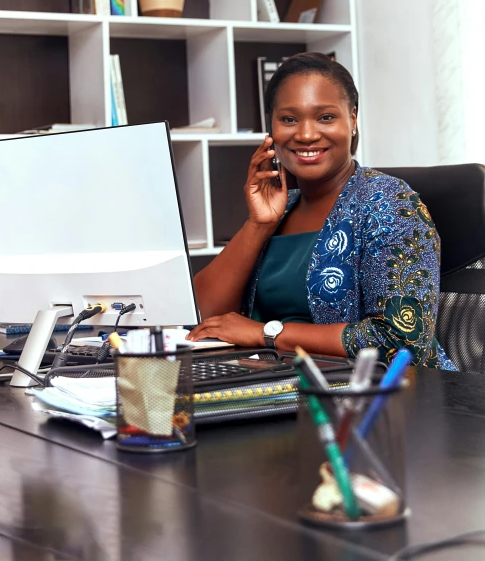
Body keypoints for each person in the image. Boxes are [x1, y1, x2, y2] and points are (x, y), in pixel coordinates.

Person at [188, 52, 456, 369]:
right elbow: (202, 318)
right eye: (289, 119)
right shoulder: (281, 208)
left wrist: (266, 333)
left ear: (352, 119)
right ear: (270, 127)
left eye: (325, 117)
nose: (306, 134)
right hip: (277, 387)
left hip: (381, 400)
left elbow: (401, 341)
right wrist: (258, 224)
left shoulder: (389, 203)